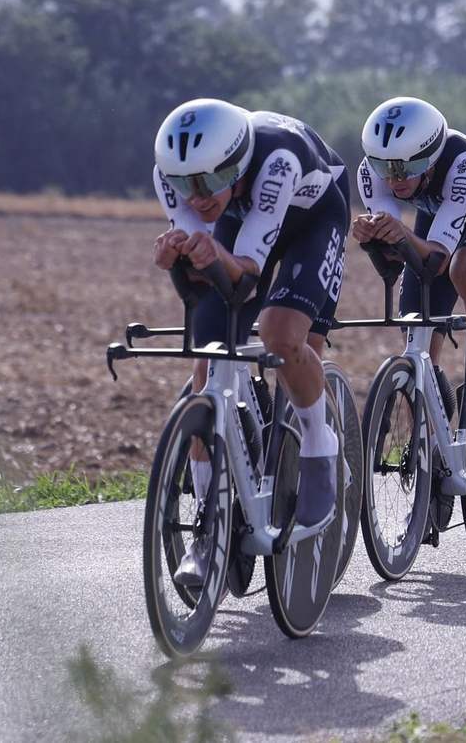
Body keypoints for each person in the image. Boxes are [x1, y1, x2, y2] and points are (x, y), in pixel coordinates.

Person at [152, 99, 349, 586]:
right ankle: (207, 524)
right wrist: (179, 254)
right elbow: (203, 259)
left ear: (235, 163)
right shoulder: (173, 177)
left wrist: (212, 250)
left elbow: (248, 268)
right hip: (245, 215)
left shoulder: (277, 161)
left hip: (313, 219)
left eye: (207, 181)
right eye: (185, 184)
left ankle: (321, 444)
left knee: (281, 336)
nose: (196, 197)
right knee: (207, 364)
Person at [352, 97, 466, 441]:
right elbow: (397, 256)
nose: (395, 179)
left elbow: (440, 259)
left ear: (430, 157)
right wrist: (374, 239)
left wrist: (400, 233)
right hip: (437, 215)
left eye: (406, 168)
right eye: (386, 168)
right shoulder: (371, 171)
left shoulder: (462, 161)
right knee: (418, 344)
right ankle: (429, 447)